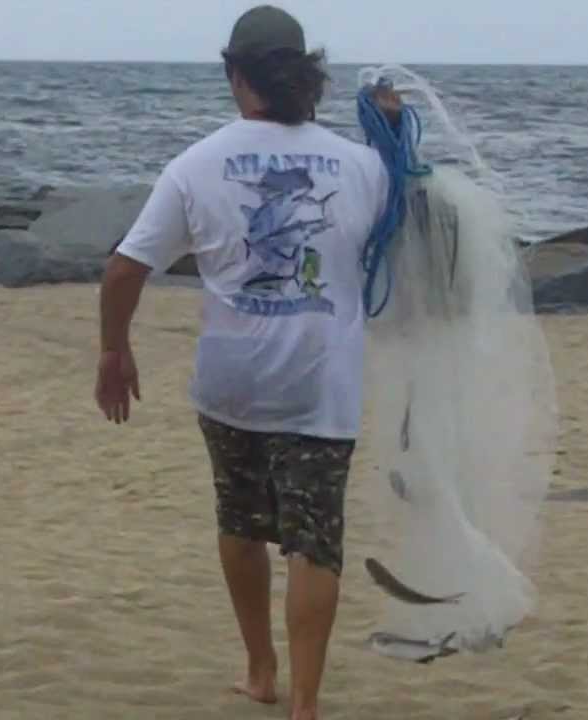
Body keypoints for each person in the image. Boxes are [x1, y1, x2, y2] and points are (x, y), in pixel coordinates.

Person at [94, 6, 401, 719]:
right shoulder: (360, 166)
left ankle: (261, 671)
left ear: (235, 75)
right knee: (314, 542)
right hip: (319, 380)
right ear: (306, 76)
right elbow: (404, 227)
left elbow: (122, 271)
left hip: (232, 378)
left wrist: (115, 349)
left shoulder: (196, 163)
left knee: (239, 522)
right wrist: (387, 129)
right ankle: (306, 705)